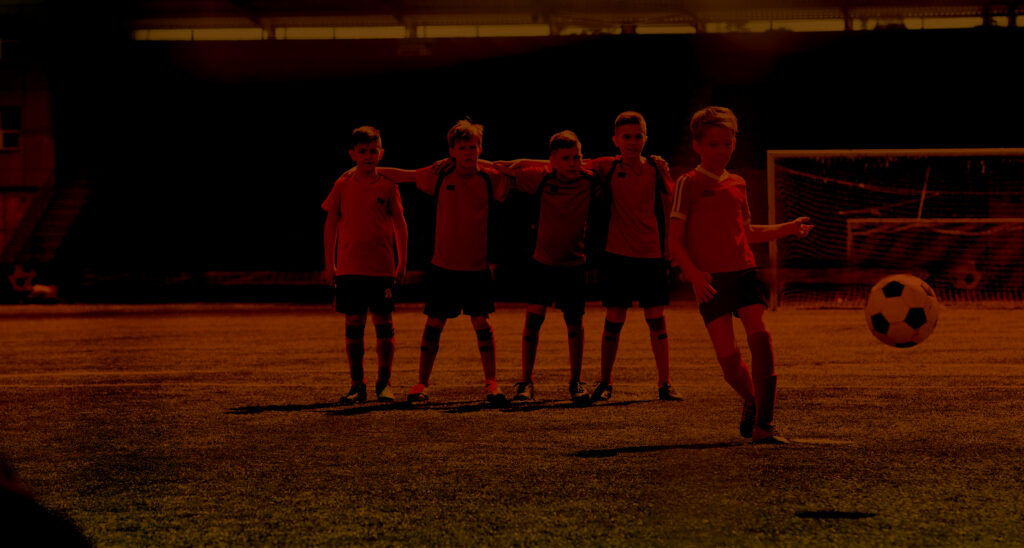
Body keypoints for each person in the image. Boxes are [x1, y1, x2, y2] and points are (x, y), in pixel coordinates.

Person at [667, 106, 812, 444]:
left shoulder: (739, 183)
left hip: (744, 272)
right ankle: (752, 400)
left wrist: (788, 228)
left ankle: (765, 425)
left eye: (727, 143)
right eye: (713, 144)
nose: (721, 150)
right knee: (729, 360)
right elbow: (674, 241)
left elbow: (747, 231)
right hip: (710, 282)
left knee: (761, 339)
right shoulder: (687, 183)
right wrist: (694, 274)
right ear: (697, 146)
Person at [378, 120, 508, 406]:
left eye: (473, 147)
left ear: (480, 148)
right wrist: (362, 169)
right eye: (462, 148)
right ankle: (421, 383)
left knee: (481, 322)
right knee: (434, 322)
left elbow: (514, 168)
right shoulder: (439, 174)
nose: (468, 152)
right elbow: (403, 176)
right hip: (443, 267)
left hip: (477, 267)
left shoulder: (491, 177)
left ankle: (492, 384)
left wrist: (484, 162)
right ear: (452, 151)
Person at [495, 131, 601, 404]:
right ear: (552, 159)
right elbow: (503, 168)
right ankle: (525, 382)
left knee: (574, 324)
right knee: (533, 321)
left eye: (576, 157)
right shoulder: (541, 177)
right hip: (542, 263)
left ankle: (576, 382)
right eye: (565, 158)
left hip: (574, 264)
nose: (573, 163)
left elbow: (608, 162)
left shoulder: (590, 179)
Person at [586, 111, 682, 403]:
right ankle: (605, 382)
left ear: (645, 139)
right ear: (615, 140)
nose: (632, 142)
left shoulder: (655, 168)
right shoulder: (606, 166)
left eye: (637, 136)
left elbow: (673, 200)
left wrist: (672, 246)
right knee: (615, 317)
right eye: (626, 137)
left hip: (651, 255)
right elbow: (564, 163)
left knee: (656, 318)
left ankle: (665, 384)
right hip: (617, 255)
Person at [321, 126, 409, 404]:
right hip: (350, 268)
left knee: (384, 322)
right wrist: (329, 263)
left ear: (381, 153)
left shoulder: (388, 185)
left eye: (373, 150)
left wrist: (402, 260)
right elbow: (331, 224)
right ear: (352, 154)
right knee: (354, 323)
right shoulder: (343, 184)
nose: (368, 156)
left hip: (381, 268)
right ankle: (357, 384)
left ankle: (385, 384)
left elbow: (400, 224)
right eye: (362, 151)